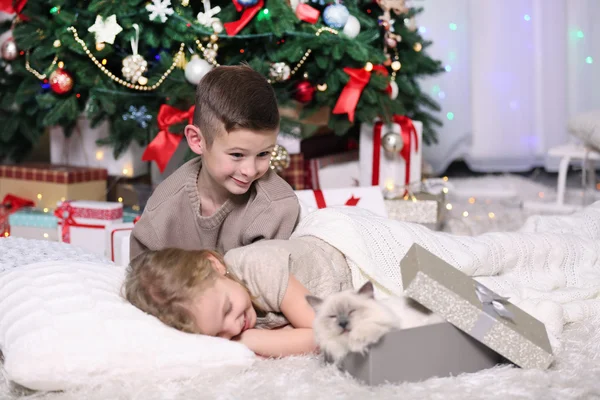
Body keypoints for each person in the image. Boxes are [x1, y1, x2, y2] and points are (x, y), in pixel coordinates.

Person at [124, 204, 600, 357]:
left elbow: (322, 333)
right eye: (220, 331)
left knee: (475, 259)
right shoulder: (227, 297)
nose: (234, 325)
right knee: (458, 301)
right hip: (355, 279)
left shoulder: (257, 265)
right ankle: (535, 312)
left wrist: (256, 344)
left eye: (228, 309)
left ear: (216, 264)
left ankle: (574, 244)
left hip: (362, 248)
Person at [129, 65, 300, 261]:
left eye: (263, 153)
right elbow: (141, 275)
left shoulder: (276, 207)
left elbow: (268, 281)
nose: (250, 170)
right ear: (197, 140)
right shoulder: (165, 206)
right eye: (237, 155)